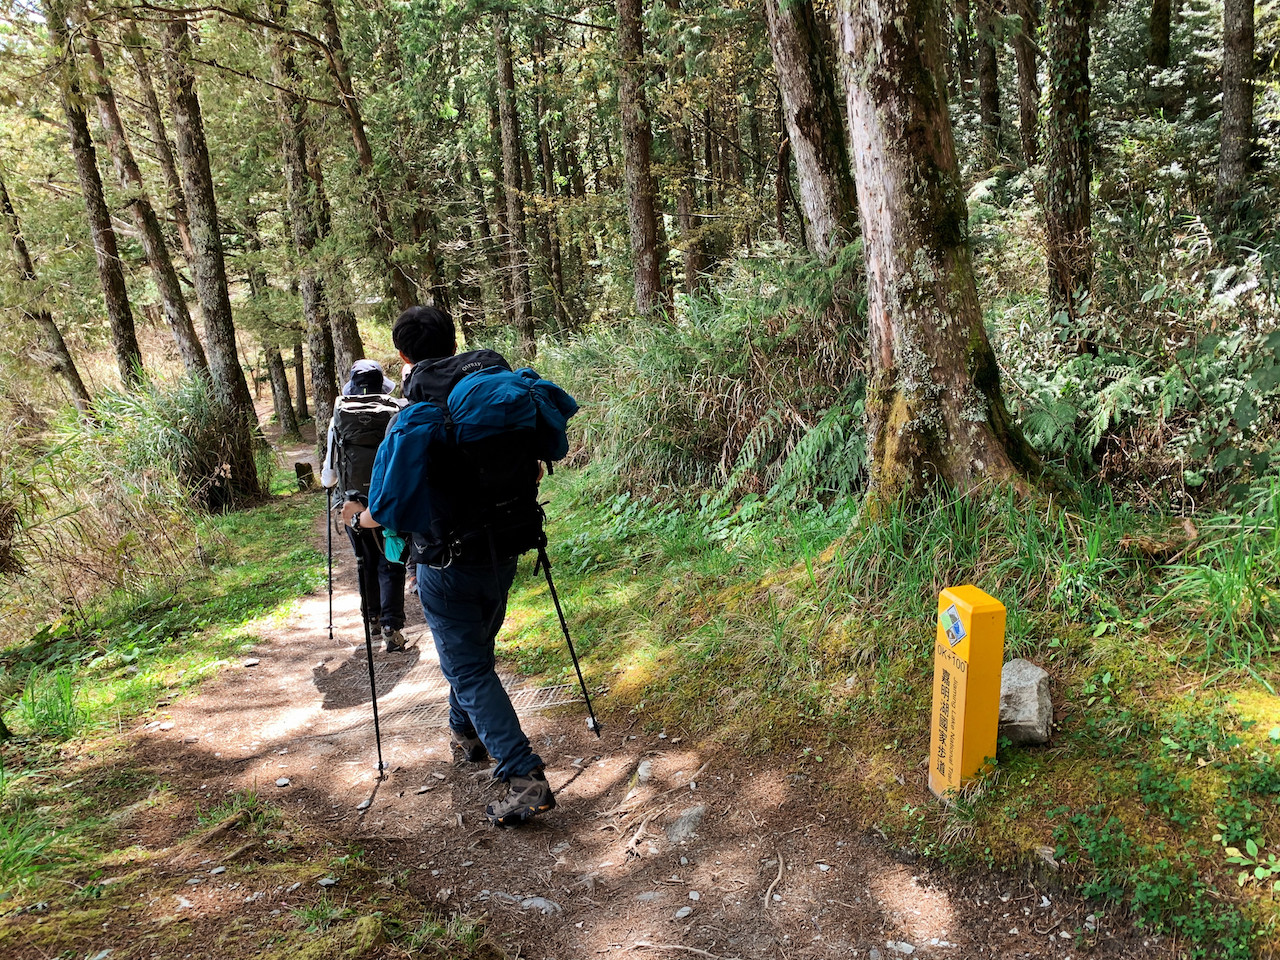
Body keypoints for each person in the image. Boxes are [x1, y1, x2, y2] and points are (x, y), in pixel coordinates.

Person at [341, 305, 559, 826]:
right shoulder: (493, 394)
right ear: (454, 343)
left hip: (446, 562)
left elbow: (387, 509)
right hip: (506, 548)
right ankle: (466, 732)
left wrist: (358, 520)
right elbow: (534, 472)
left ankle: (523, 777)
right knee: (474, 655)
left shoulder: (415, 414)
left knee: (468, 666)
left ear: (403, 356)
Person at [322, 360, 409, 653]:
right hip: (388, 497)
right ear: (381, 384)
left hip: (352, 502)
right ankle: (391, 627)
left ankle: (371, 618)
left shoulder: (339, 415)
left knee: (365, 559)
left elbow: (329, 474)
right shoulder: (396, 411)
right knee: (391, 560)